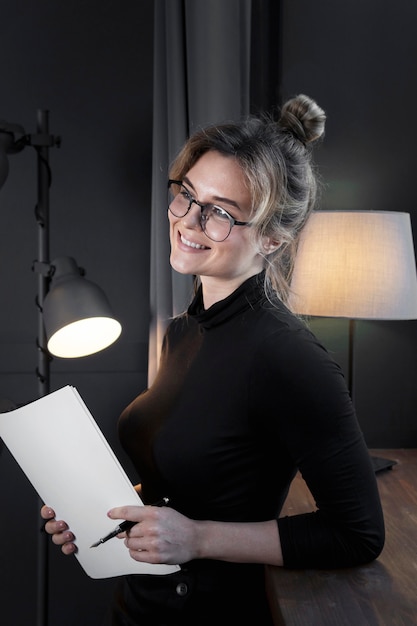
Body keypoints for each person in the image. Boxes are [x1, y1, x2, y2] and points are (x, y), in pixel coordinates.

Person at [41, 94, 385, 625]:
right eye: (187, 196)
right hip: (140, 606)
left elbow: (357, 534)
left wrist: (197, 537)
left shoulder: (289, 356)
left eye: (221, 213)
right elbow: (191, 481)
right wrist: (104, 511)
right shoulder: (183, 332)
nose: (189, 221)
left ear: (273, 237)